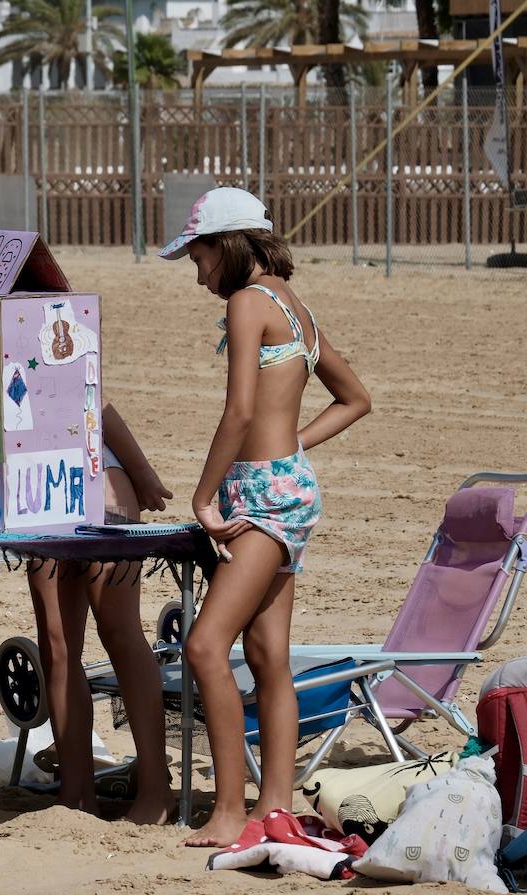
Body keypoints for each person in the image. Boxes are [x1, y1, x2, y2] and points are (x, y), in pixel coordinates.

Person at [161, 188, 371, 848]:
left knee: (204, 645)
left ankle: (229, 810)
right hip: (285, 487)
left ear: (226, 246)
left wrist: (203, 497)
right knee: (267, 653)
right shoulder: (293, 305)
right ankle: (273, 803)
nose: (197, 274)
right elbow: (355, 399)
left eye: (198, 257)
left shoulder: (248, 302)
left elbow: (240, 412)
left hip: (264, 498)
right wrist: (291, 449)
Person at [25, 403, 177, 824]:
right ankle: (76, 792)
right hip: (36, 481)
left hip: (98, 477)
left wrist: (141, 472)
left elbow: (93, 398)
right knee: (56, 645)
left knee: (119, 633)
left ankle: (155, 789)